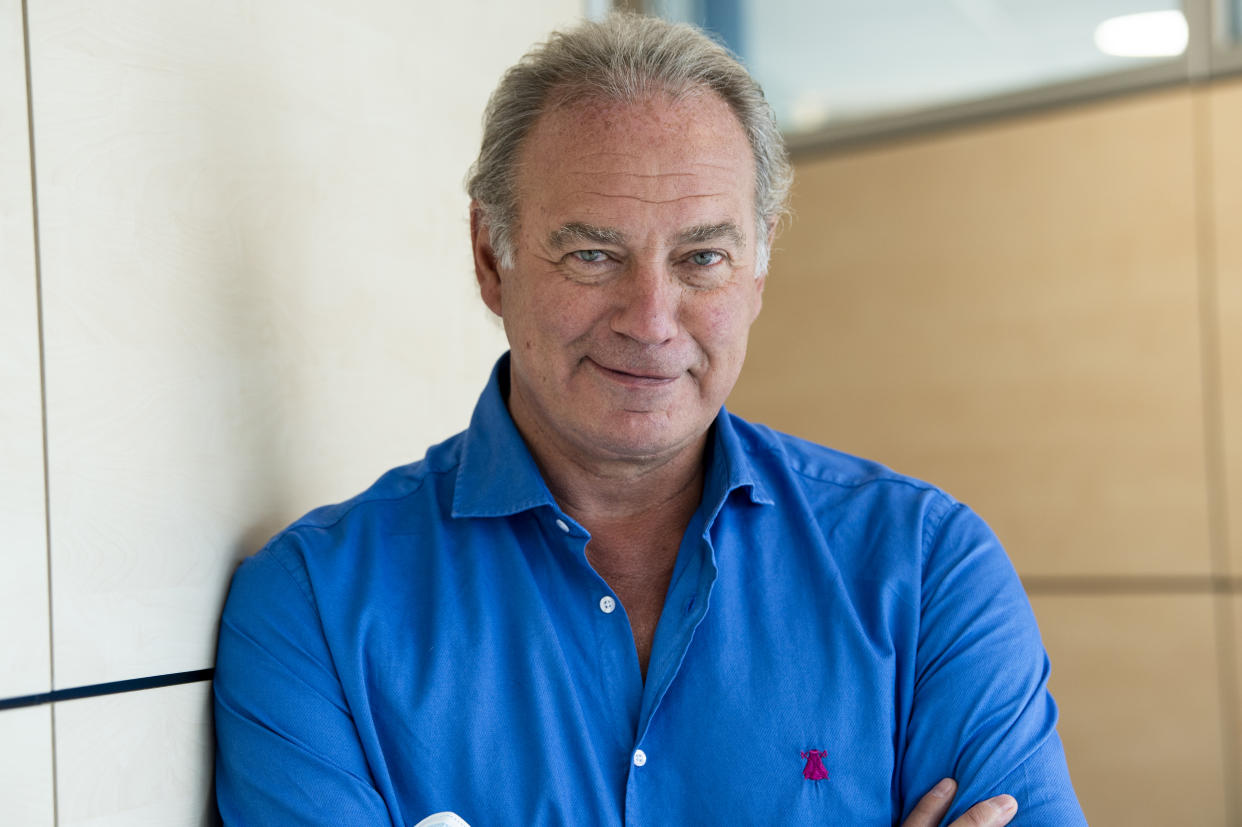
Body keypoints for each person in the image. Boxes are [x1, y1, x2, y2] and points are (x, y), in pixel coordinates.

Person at [214, 13, 1086, 826]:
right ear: (492, 258)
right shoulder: (313, 612)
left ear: (757, 270)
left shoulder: (929, 571)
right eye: (593, 254)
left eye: (702, 256)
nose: (652, 319)